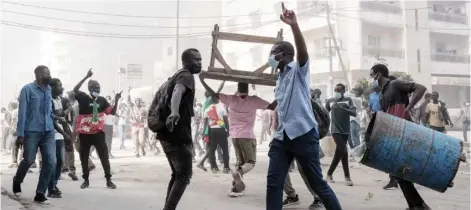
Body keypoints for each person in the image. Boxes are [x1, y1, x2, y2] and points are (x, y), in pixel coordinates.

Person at [266, 4, 341, 210]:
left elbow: (302, 52)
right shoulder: (280, 78)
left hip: (304, 135)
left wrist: (294, 25)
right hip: (283, 137)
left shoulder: (298, 71)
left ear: (283, 54)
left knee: (318, 184)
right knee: (273, 184)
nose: (270, 58)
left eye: (273, 53)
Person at [199, 81, 275, 197]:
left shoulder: (231, 99)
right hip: (248, 135)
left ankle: (235, 189)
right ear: (248, 89)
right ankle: (238, 173)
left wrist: (203, 81)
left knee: (240, 162)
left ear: (238, 88)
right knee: (250, 162)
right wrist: (282, 94)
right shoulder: (254, 100)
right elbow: (272, 106)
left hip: (235, 136)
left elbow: (214, 94)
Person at [370, 64, 429, 209]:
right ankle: (417, 205)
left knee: (399, 169)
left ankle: (418, 205)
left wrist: (408, 108)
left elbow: (421, 88)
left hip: (405, 130)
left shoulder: (395, 84)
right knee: (398, 171)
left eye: (372, 75)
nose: (371, 79)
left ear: (379, 74)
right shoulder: (383, 94)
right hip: (394, 132)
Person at [156, 48, 201, 210]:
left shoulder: (177, 75)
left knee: (177, 174)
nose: (200, 63)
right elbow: (178, 91)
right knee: (184, 175)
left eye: (200, 60)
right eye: (196, 60)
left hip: (167, 134)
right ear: (187, 61)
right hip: (176, 134)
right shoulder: (185, 76)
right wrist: (175, 112)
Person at [12, 65, 56, 204]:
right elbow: (22, 113)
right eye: (45, 74)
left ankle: (40, 193)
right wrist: (20, 134)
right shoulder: (27, 89)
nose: (48, 76)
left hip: (48, 131)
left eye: (49, 73)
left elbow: (48, 111)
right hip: (32, 131)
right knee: (29, 160)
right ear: (37, 75)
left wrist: (54, 120)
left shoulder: (49, 89)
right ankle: (17, 180)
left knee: (51, 161)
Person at [73, 69, 120, 189]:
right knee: (84, 157)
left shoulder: (102, 100)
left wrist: (117, 99)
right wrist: (85, 77)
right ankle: (86, 180)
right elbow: (75, 90)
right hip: (84, 133)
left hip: (98, 133)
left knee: (104, 157)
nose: (97, 91)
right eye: (95, 88)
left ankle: (108, 179)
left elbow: (112, 112)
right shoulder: (83, 98)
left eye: (98, 88)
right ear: (90, 89)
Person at [325, 83, 356, 186]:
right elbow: (325, 115)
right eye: (335, 90)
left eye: (338, 90)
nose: (336, 92)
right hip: (335, 130)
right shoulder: (330, 101)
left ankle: (329, 174)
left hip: (345, 130)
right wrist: (325, 128)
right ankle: (347, 177)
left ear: (343, 91)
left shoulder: (348, 100)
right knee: (344, 151)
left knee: (339, 153)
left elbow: (354, 113)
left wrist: (343, 109)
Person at [48, 78, 72, 198]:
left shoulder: (59, 99)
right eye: (59, 86)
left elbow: (60, 117)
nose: (61, 88)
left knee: (60, 162)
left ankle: (54, 184)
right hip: (50, 134)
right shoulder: (48, 100)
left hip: (59, 134)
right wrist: (64, 133)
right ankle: (50, 188)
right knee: (53, 162)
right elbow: (52, 121)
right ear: (51, 87)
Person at [65, 91, 95, 181]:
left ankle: (71, 168)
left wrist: (75, 132)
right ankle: (89, 164)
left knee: (72, 148)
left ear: (71, 98)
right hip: (82, 128)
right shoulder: (80, 105)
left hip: (77, 129)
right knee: (77, 147)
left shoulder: (75, 107)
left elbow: (76, 120)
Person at [201, 96, 230, 173]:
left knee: (212, 150)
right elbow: (226, 121)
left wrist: (204, 133)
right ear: (218, 100)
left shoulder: (207, 109)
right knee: (225, 149)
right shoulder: (222, 108)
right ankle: (226, 168)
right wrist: (227, 131)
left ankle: (214, 167)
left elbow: (205, 123)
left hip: (211, 131)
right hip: (221, 130)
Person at [128, 93, 147, 158]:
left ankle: (142, 148)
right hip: (134, 126)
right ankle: (137, 152)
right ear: (135, 102)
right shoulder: (132, 108)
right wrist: (133, 121)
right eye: (137, 101)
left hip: (141, 126)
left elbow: (146, 117)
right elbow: (130, 118)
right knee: (135, 140)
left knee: (141, 140)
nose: (138, 103)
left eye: (139, 101)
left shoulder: (144, 109)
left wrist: (144, 120)